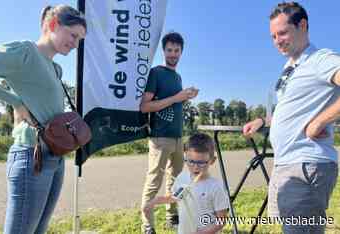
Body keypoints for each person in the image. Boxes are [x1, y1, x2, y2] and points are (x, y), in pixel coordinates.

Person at [243, 2, 339, 233]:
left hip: (306, 163)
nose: (277, 40)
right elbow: (291, 112)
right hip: (287, 163)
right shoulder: (291, 67)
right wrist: (262, 121)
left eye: (283, 32)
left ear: (302, 25)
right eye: (273, 36)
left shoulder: (319, 59)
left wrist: (320, 121)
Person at [0, 5, 86, 234]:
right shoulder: (25, 52)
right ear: (52, 24)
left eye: (79, 39)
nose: (75, 44)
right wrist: (15, 102)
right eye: (73, 35)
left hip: (55, 157)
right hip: (30, 157)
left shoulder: (56, 68)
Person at [140, 31, 199, 233]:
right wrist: (177, 97)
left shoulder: (178, 77)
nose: (173, 54)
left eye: (177, 50)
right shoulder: (156, 72)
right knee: (153, 182)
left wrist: (185, 96)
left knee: (175, 180)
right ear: (163, 51)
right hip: (159, 137)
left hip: (177, 137)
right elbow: (145, 106)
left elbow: (174, 101)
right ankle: (147, 226)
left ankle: (171, 215)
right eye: (169, 50)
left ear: (181, 52)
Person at [143, 133, 229, 234]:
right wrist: (155, 201)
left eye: (201, 162)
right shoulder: (182, 178)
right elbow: (175, 197)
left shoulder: (216, 187)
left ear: (212, 161)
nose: (195, 167)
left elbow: (222, 220)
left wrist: (203, 232)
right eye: (191, 161)